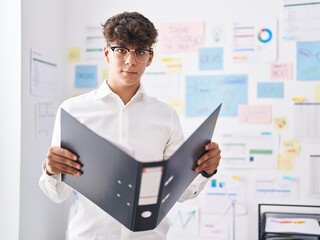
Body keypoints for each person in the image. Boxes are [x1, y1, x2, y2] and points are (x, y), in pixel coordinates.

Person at [39, 11, 221, 240]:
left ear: (150, 58)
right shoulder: (73, 111)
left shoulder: (166, 115)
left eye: (140, 52)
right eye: (121, 50)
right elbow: (57, 194)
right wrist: (51, 170)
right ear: (107, 53)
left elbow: (182, 193)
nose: (130, 61)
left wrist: (206, 170)